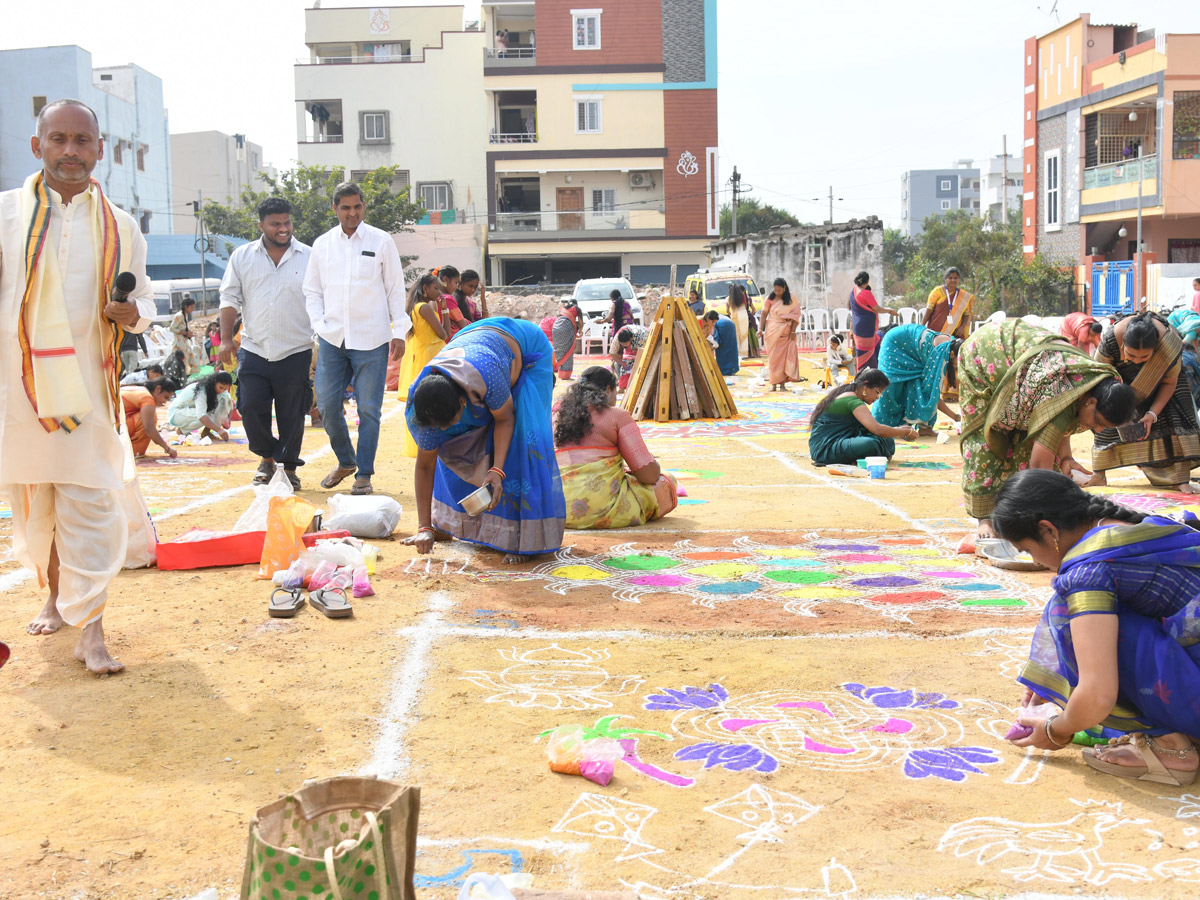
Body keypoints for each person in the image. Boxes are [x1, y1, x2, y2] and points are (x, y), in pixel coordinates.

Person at [0, 98, 157, 673]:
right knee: (39, 499)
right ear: (36, 145)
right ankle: (53, 594)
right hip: (21, 391)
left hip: (89, 389)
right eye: (59, 139)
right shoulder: (6, 216)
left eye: (82, 141)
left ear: (98, 150)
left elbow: (143, 304)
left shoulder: (123, 225)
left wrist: (130, 315)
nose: (71, 152)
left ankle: (92, 630)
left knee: (88, 500)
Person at [993, 470, 1200, 785]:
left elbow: (1098, 694)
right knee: (1076, 608)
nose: (1034, 561)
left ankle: (1173, 749)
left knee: (1067, 612)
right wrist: (1055, 678)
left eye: (1026, 549)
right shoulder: (1131, 528)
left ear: (1048, 530)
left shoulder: (1091, 570)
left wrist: (1056, 730)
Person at [402, 317, 566, 558]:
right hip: (479, 345)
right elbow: (425, 466)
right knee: (450, 447)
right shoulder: (422, 409)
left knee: (523, 438)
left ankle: (522, 537)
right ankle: (444, 523)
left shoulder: (487, 377)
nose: (452, 427)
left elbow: (505, 420)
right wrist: (423, 526)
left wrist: (497, 470)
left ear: (462, 401)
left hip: (526, 348)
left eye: (453, 421)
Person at [957, 319, 1135, 532]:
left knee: (1034, 446)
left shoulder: (1092, 383)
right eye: (1099, 423)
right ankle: (985, 519)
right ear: (1092, 402)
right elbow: (1039, 468)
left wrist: (1066, 458)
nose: (1097, 430)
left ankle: (1012, 511)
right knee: (984, 438)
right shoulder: (1059, 395)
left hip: (1028, 356)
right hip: (988, 354)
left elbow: (1063, 418)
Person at [304, 182, 411, 496]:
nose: (352, 213)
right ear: (335, 209)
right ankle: (345, 460)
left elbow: (394, 288)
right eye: (345, 207)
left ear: (364, 206)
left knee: (368, 410)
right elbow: (312, 291)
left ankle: (363, 472)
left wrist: (398, 331)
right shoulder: (322, 245)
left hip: (372, 339)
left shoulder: (381, 240)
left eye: (357, 207)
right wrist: (319, 323)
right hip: (332, 338)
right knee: (325, 403)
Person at [219, 197, 314, 489]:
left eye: (287, 222)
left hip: (296, 349)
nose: (283, 229)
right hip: (253, 348)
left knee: (292, 413)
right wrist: (224, 340)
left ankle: (288, 468)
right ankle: (267, 458)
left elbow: (321, 301)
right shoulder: (242, 257)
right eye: (276, 224)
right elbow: (229, 298)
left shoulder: (310, 257)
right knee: (250, 407)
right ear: (261, 225)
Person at [1087, 311, 1200, 493]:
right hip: (1118, 381)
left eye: (1144, 358)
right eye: (1132, 356)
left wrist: (1151, 414)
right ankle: (1099, 475)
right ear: (1123, 345)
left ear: (1155, 350)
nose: (1137, 361)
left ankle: (1179, 479)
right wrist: (1122, 409)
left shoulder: (1168, 346)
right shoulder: (1110, 340)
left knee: (1175, 416)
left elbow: (1169, 383)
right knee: (1106, 410)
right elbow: (1098, 375)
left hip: (1163, 382)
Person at [554, 366, 678, 528]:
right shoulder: (617, 416)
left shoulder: (556, 414)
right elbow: (647, 474)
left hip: (559, 507)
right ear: (608, 389)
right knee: (667, 481)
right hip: (605, 508)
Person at [808, 370, 918, 466]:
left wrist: (896, 431)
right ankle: (872, 455)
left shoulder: (853, 396)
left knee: (887, 440)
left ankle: (872, 455)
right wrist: (901, 432)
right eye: (877, 392)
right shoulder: (852, 400)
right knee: (869, 444)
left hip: (842, 439)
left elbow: (873, 428)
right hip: (825, 448)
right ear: (865, 386)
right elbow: (877, 430)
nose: (877, 397)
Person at [873, 324, 962, 433]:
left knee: (916, 384)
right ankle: (879, 427)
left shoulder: (953, 345)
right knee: (889, 385)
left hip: (913, 350)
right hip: (895, 343)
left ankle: (925, 428)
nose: (959, 365)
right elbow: (932, 392)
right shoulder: (941, 353)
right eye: (959, 361)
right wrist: (956, 417)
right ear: (952, 354)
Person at [850, 271, 900, 370]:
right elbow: (877, 309)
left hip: (857, 327)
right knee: (867, 354)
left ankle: (875, 369)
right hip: (866, 329)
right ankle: (869, 374)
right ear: (867, 281)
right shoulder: (865, 293)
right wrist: (890, 311)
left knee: (875, 343)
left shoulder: (854, 291)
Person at [121, 377, 179, 458]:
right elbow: (149, 428)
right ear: (157, 389)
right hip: (112, 426)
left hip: (106, 423)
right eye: (165, 397)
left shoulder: (140, 389)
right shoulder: (147, 398)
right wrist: (167, 448)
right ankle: (134, 452)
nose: (165, 402)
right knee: (150, 418)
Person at [760, 278, 802, 390]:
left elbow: (795, 316)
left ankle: (782, 384)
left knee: (784, 358)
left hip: (787, 332)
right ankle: (773, 384)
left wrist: (793, 331)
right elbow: (764, 314)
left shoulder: (792, 298)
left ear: (784, 288)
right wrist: (760, 329)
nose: (777, 293)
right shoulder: (769, 298)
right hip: (772, 331)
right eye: (775, 290)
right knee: (773, 359)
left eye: (779, 290)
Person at [167, 371, 234, 439]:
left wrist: (228, 419)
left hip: (191, 411)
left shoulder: (222, 393)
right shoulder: (202, 390)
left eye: (225, 389)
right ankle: (182, 431)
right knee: (206, 416)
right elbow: (201, 415)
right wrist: (219, 430)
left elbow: (229, 405)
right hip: (176, 413)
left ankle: (206, 432)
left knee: (222, 403)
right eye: (221, 387)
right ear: (214, 381)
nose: (222, 391)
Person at [923, 267, 974, 339]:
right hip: (936, 330)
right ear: (945, 279)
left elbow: (966, 313)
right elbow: (929, 309)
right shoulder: (938, 291)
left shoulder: (962, 295)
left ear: (959, 279)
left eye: (956, 278)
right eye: (950, 278)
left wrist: (962, 327)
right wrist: (921, 326)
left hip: (955, 332)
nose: (953, 280)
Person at [610, 324, 650, 391]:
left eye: (626, 344)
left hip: (643, 339)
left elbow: (644, 354)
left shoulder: (641, 338)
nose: (625, 345)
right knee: (624, 367)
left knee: (640, 366)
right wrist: (623, 364)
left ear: (631, 339)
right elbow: (612, 353)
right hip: (631, 346)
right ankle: (622, 386)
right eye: (623, 344)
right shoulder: (617, 338)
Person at [551, 298, 582, 380]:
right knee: (569, 350)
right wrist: (581, 331)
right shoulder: (577, 309)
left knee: (560, 349)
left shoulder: (563, 309)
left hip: (556, 327)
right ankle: (566, 374)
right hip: (567, 327)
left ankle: (561, 372)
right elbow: (580, 321)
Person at [705, 311, 740, 376]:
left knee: (722, 349)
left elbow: (716, 343)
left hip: (723, 325)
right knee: (731, 348)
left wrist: (710, 350)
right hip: (731, 324)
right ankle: (732, 369)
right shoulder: (716, 317)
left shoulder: (713, 323)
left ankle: (724, 370)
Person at [170, 295, 198, 373]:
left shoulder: (184, 315)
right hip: (179, 343)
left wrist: (188, 333)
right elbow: (172, 328)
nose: (192, 309)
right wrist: (184, 333)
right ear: (186, 306)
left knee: (192, 359)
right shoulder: (179, 316)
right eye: (191, 307)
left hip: (184, 342)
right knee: (183, 361)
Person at [726, 283, 752, 358]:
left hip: (735, 315)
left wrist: (731, 314)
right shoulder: (743, 297)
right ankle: (744, 354)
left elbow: (727, 310)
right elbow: (746, 306)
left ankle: (736, 354)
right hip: (743, 314)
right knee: (744, 334)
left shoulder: (728, 298)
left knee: (735, 334)